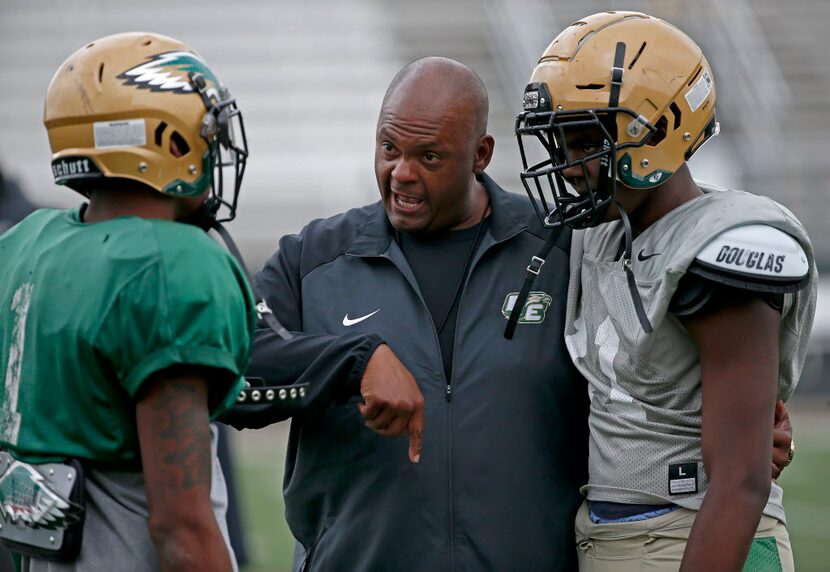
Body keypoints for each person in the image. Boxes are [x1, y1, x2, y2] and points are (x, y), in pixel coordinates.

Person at [223, 56, 590, 571]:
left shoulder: (563, 248)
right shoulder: (314, 257)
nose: (401, 173)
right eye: (388, 148)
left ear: (480, 154)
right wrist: (354, 360)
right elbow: (231, 371)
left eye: (430, 157)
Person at [514, 11, 816, 571]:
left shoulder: (723, 244)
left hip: (693, 537)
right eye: (559, 142)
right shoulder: (603, 230)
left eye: (584, 141)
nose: (566, 166)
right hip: (619, 540)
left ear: (656, 130)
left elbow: (740, 480)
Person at [0, 32, 256, 571]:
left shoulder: (23, 244)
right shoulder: (168, 266)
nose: (217, 147)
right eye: (207, 131)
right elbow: (180, 527)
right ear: (166, 140)